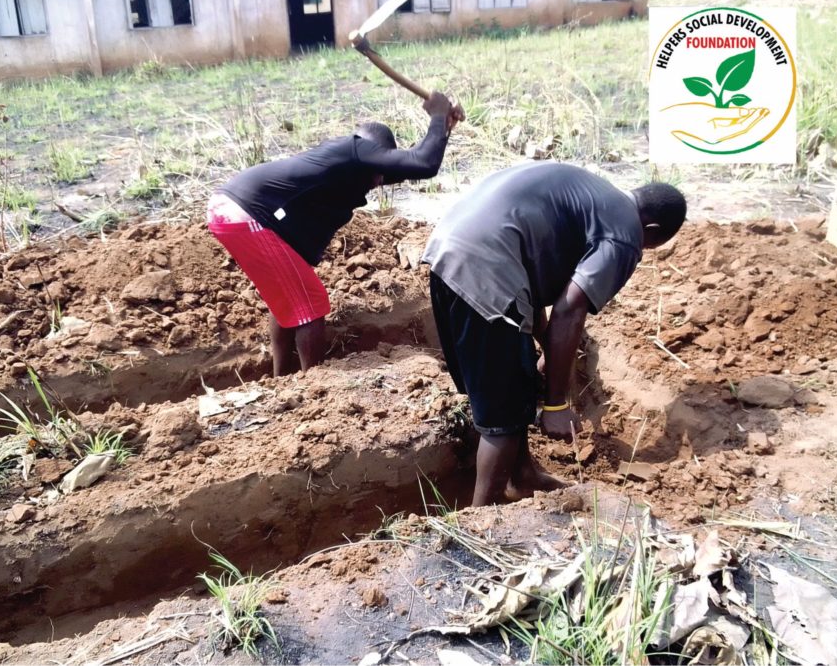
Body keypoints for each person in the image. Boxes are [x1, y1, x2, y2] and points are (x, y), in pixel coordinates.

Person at [422, 161, 687, 507]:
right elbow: (569, 308)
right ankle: (478, 521)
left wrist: (545, 346)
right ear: (651, 229)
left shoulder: (594, 195)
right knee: (503, 414)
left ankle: (523, 477)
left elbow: (532, 273)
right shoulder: (625, 233)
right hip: (486, 267)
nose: (642, 250)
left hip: (449, 249)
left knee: (513, 385)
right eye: (650, 245)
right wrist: (556, 402)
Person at [208, 92, 464, 376]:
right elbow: (423, 164)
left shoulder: (346, 165)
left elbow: (413, 164)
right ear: (371, 150)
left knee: (289, 299)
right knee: (311, 303)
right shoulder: (355, 149)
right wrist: (438, 114)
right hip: (248, 213)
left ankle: (281, 379)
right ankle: (314, 383)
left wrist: (443, 128)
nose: (380, 180)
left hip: (234, 210)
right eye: (379, 169)